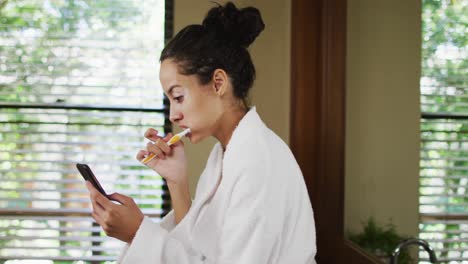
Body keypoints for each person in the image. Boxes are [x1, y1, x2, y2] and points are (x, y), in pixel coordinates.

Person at [85, 2, 316, 263]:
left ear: (218, 83)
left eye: (178, 96)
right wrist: (176, 181)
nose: (173, 114)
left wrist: (138, 233)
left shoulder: (257, 160)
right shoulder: (225, 154)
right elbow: (196, 251)